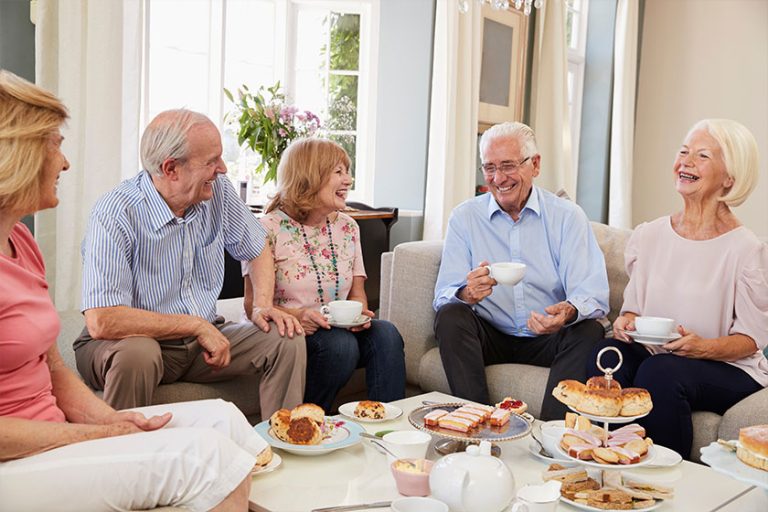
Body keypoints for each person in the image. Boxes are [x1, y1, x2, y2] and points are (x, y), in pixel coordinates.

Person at [0, 69, 268, 511]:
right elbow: (102, 321)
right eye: (54, 146)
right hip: (15, 462)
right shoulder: (117, 209)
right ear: (17, 156)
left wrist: (117, 421)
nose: (65, 163)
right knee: (208, 460)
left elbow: (52, 369)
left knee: (223, 420)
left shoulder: (22, 244)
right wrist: (97, 436)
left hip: (52, 432)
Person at [74, 108, 306, 420]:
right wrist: (194, 324)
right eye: (212, 161)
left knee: (284, 336)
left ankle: (281, 447)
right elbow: (102, 321)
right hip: (127, 344)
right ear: (171, 169)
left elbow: (257, 247)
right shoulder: (116, 212)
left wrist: (263, 305)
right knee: (138, 353)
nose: (223, 169)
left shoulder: (217, 192)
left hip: (200, 342)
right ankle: (122, 456)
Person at [586, 119, 768, 459]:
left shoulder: (745, 249)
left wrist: (702, 347)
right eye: (683, 151)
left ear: (730, 178)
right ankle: (603, 463)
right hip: (662, 356)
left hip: (730, 368)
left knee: (661, 372)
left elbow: (751, 340)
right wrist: (625, 323)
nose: (686, 161)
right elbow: (632, 311)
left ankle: (666, 480)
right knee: (607, 355)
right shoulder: (650, 235)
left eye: (701, 156)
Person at [433, 121, 609, 420]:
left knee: (588, 330)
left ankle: (553, 436)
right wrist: (467, 293)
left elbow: (592, 296)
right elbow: (443, 296)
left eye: (508, 166)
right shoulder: (465, 217)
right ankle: (477, 426)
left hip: (548, 338)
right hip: (491, 335)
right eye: (489, 167)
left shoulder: (567, 217)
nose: (498, 178)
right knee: (451, 315)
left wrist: (565, 312)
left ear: (535, 165)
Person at [243, 138, 405, 412]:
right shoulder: (266, 228)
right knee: (340, 346)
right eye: (338, 172)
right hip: (295, 328)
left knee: (386, 333)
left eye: (348, 171)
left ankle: (386, 427)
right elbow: (253, 306)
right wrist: (299, 316)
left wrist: (358, 316)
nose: (348, 180)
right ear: (310, 175)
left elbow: (357, 294)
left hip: (336, 326)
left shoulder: (348, 227)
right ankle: (309, 424)